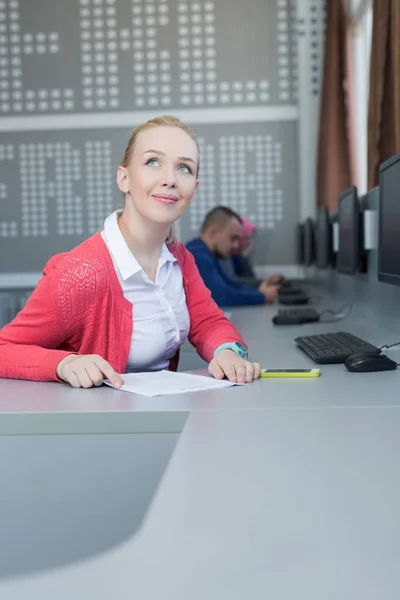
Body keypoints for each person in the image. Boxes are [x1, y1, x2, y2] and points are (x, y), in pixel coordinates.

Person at [0, 116, 261, 388]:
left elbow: (208, 322)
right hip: (101, 424)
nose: (170, 179)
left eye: (184, 168)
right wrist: (64, 363)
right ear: (124, 178)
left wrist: (226, 352)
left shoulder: (178, 257)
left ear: (193, 189)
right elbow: (4, 349)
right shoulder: (79, 273)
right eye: (152, 162)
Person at [186, 206, 280, 307]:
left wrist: (259, 292)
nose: (235, 245)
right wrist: (263, 296)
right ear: (213, 232)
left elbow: (230, 285)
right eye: (233, 238)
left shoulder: (206, 252)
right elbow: (221, 297)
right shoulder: (197, 255)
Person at [229, 216, 283, 288]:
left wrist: (267, 282)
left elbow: (250, 282)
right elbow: (243, 285)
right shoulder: (226, 260)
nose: (250, 243)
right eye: (247, 238)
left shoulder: (238, 258)